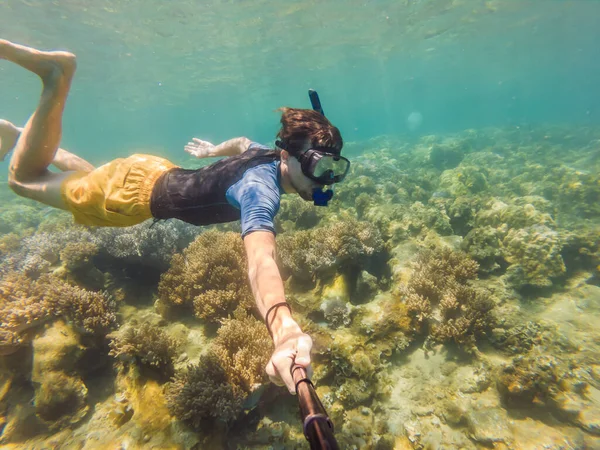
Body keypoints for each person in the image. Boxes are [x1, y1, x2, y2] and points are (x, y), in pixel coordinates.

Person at [0, 39, 350, 394]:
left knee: (85, 179)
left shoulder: (266, 152)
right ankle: (55, 78)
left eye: (336, 167)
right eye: (318, 166)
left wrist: (212, 151)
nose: (327, 179)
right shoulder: (261, 191)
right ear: (288, 156)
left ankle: (23, 137)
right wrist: (284, 327)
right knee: (22, 180)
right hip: (130, 197)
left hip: (150, 170)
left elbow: (242, 142)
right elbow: (261, 261)